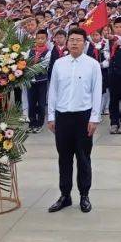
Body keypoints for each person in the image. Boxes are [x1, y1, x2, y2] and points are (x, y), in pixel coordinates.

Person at [47, 27, 102, 214]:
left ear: (85, 43)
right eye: (71, 40)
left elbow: (96, 92)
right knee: (64, 158)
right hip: (62, 117)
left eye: (78, 40)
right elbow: (53, 90)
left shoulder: (92, 64)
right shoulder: (59, 64)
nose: (74, 43)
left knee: (83, 158)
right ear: (67, 42)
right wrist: (51, 116)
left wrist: (94, 118)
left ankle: (84, 195)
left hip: (83, 117)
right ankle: (65, 195)